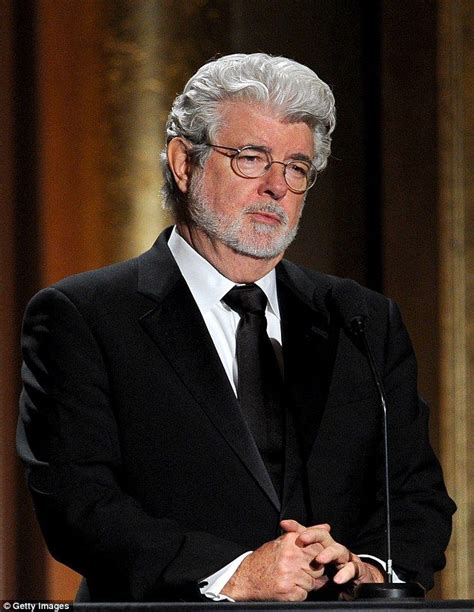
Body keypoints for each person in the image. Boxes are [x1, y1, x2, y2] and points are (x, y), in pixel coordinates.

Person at [17, 52, 455, 602]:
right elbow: (77, 503)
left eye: (297, 168)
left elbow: (415, 495)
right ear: (184, 162)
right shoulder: (84, 315)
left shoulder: (361, 318)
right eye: (252, 157)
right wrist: (236, 573)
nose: (277, 186)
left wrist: (364, 571)